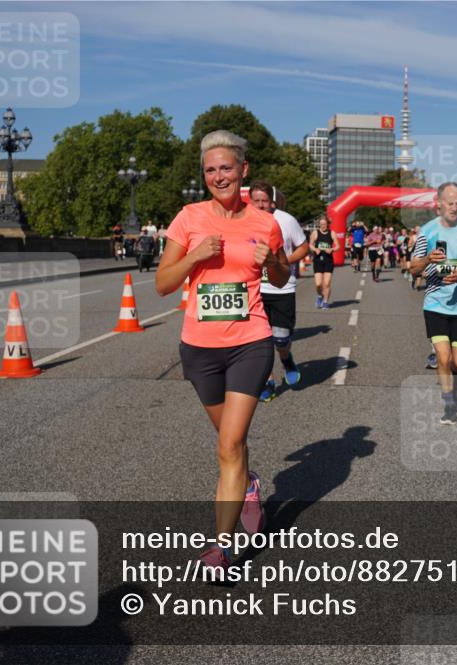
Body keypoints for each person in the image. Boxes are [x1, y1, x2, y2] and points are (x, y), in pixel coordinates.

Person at [155, 130, 290, 571]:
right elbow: (162, 284)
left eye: (226, 168)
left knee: (229, 445)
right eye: (210, 169)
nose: (218, 176)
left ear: (243, 171)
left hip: (251, 341)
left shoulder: (263, 221)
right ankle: (249, 484)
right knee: (230, 442)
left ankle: (221, 547)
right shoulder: (188, 218)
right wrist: (194, 257)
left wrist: (270, 259)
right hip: (199, 348)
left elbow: (281, 275)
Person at [410, 182, 457, 425]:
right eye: (449, 203)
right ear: (438, 204)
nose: (454, 207)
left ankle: (456, 382)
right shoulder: (427, 232)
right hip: (435, 304)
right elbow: (413, 268)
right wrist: (429, 259)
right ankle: (449, 401)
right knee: (443, 356)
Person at [249, 181, 309, 402]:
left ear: (272, 201)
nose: (262, 205)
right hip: (254, 288)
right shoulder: (243, 219)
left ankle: (286, 359)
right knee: (259, 340)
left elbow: (303, 247)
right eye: (257, 201)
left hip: (282, 287)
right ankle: (267, 381)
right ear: (250, 201)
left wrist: (281, 263)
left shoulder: (285, 220)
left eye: (265, 201)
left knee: (280, 340)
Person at [310, 213, 339, 309]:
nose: (323, 226)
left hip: (328, 261)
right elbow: (310, 245)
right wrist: (315, 249)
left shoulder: (332, 233)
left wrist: (332, 249)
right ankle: (320, 296)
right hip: (318, 260)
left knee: (326, 283)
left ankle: (325, 302)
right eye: (321, 224)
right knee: (318, 284)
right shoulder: (315, 233)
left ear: (328, 224)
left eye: (324, 224)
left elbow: (338, 246)